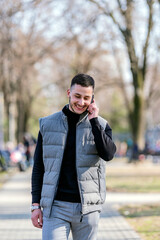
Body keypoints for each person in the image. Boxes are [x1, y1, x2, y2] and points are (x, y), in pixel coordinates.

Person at [31, 73, 116, 240]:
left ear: (92, 99)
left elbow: (108, 154)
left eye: (86, 98)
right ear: (68, 93)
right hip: (55, 207)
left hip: (88, 209)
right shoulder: (47, 125)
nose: (81, 102)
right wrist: (35, 205)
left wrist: (94, 121)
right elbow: (39, 166)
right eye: (77, 96)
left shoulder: (101, 125)